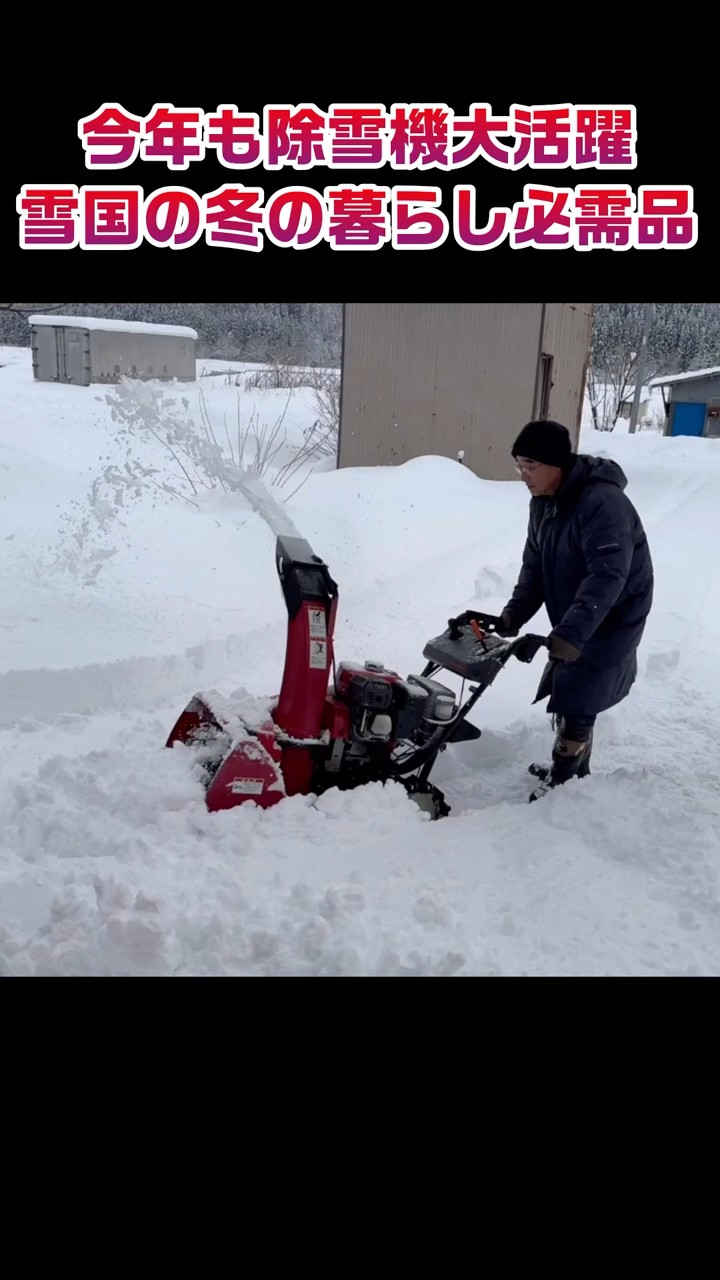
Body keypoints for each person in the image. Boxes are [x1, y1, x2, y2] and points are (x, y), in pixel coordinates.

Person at [494, 419, 654, 801]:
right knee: (571, 678)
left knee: (583, 688)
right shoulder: (544, 504)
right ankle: (575, 768)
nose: (523, 476)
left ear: (557, 465)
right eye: (519, 465)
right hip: (581, 605)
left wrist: (571, 632)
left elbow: (608, 574)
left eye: (530, 466)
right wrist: (513, 614)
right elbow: (535, 565)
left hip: (616, 609)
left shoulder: (603, 503)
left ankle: (564, 781)